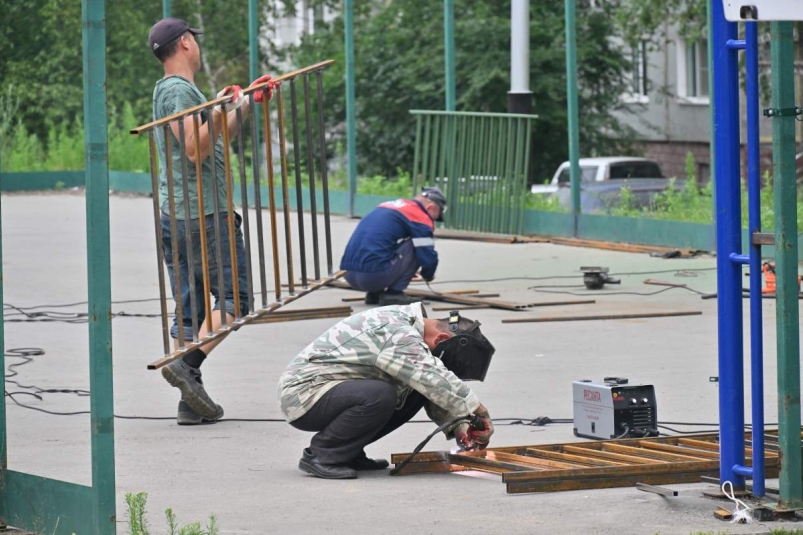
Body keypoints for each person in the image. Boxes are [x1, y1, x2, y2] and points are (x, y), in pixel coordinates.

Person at [148, 17, 274, 425]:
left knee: (191, 310)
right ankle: (186, 365)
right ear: (185, 43)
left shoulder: (168, 91)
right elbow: (195, 148)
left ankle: (189, 399)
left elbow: (214, 135)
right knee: (235, 302)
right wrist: (219, 108)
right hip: (204, 213)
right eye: (195, 42)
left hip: (178, 213)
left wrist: (240, 105)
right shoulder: (179, 90)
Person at [277, 302, 496, 479]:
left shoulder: (409, 325)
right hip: (303, 395)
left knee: (414, 388)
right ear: (441, 339)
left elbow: (430, 384)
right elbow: (430, 376)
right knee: (380, 394)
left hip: (333, 391)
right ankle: (322, 455)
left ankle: (348, 452)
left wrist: (461, 425)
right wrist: (478, 410)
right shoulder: (398, 332)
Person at [339, 187, 447, 306]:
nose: (433, 220)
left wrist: (402, 267)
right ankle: (394, 294)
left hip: (348, 274)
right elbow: (427, 256)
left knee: (382, 244)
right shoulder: (419, 216)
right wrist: (428, 274)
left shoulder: (387, 206)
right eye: (436, 216)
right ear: (430, 207)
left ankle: (374, 293)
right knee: (418, 245)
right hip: (373, 277)